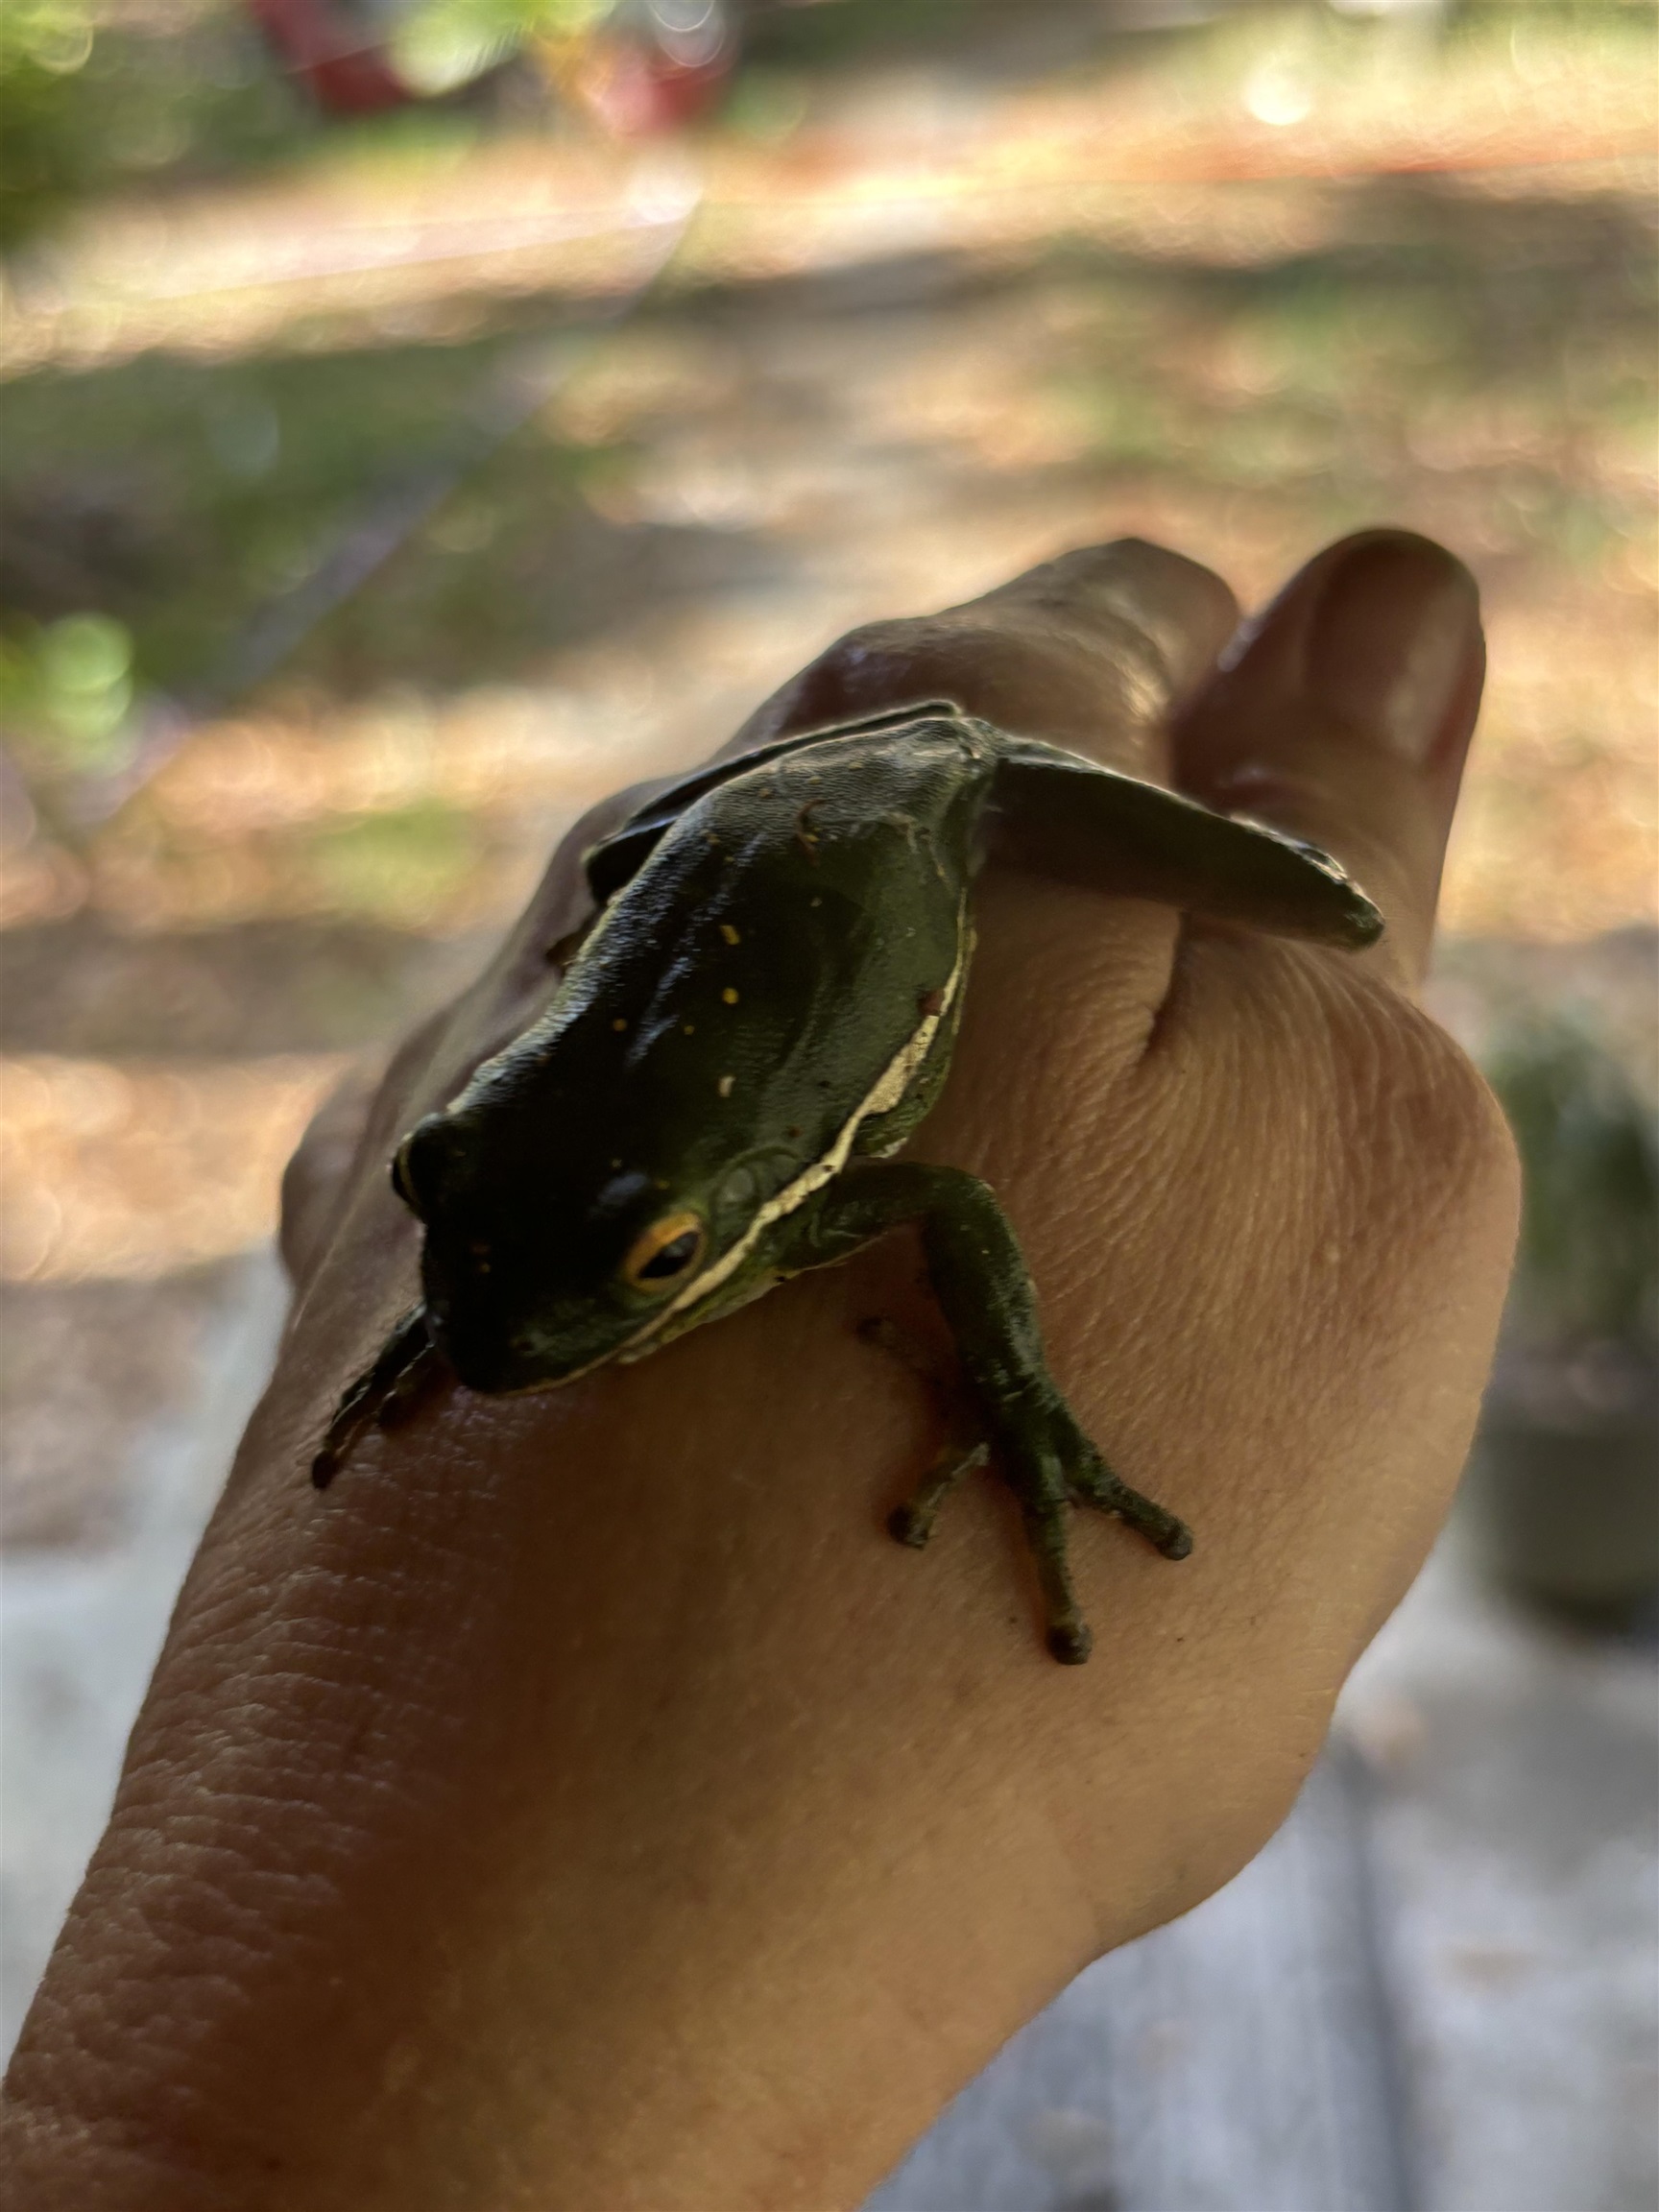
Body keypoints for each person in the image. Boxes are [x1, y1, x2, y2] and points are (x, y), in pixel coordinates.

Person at [2, 531, 1518, 2211]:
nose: (494, 1300)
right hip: (728, 845)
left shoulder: (798, 1208)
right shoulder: (567, 1205)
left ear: (722, 1231)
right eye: (441, 1186)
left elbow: (935, 1190)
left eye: (662, 1263)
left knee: (1253, 895)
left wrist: (1016, 1389)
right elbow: (544, 1168)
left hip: (913, 824)